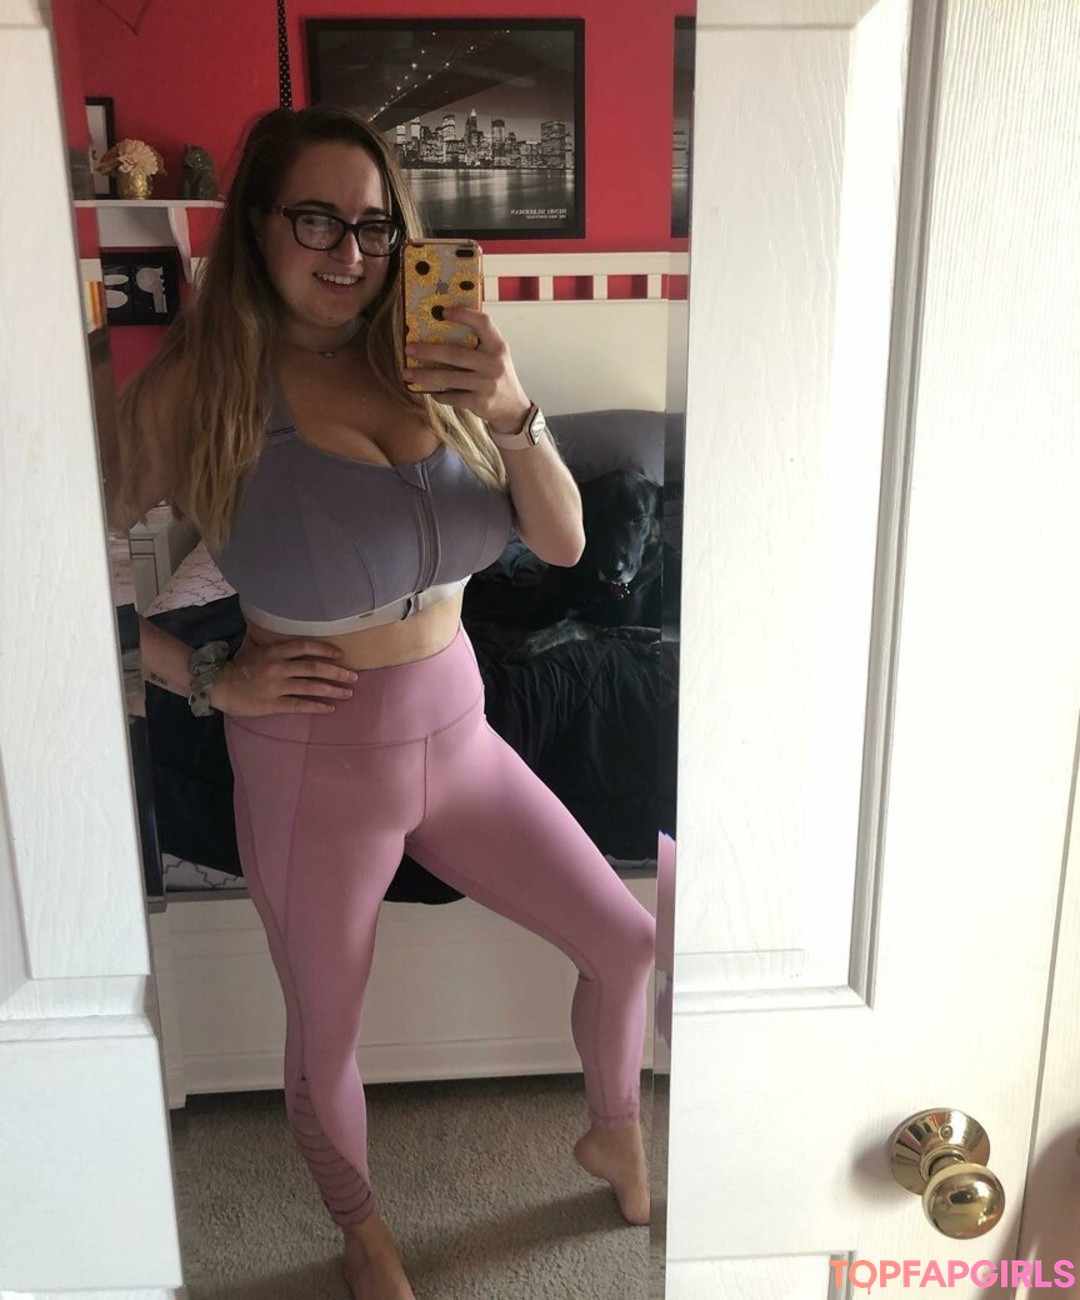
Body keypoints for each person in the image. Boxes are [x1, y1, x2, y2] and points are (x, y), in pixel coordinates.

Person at [112, 105, 655, 1300]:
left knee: (625, 938)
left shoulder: (436, 354)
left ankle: (614, 1126)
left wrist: (513, 409)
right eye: (315, 219)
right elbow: (42, 568)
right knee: (327, 1036)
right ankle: (362, 1231)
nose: (349, 252)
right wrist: (198, 672)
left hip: (460, 732)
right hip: (311, 758)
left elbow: (565, 545)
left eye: (373, 225)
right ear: (257, 227)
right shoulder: (202, 387)